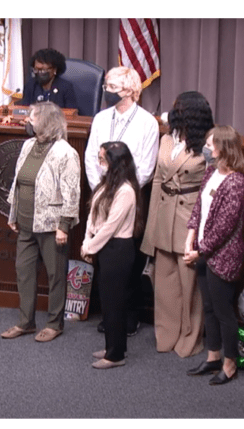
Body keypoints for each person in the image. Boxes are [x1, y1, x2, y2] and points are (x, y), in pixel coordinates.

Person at [84, 66, 159, 337]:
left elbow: (147, 167)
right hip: (102, 195)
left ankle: (130, 315)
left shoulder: (147, 122)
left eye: (111, 87)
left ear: (129, 91)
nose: (105, 91)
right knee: (104, 256)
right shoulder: (101, 118)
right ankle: (110, 315)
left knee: (129, 258)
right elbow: (92, 158)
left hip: (132, 198)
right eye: (105, 85)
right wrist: (102, 189)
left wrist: (121, 191)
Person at [140, 91, 214, 358]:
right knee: (165, 283)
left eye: (178, 109)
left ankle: (190, 340)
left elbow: (212, 188)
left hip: (189, 218)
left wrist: (202, 231)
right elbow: (159, 180)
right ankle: (166, 334)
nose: (173, 114)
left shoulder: (208, 144)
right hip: (163, 215)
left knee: (190, 285)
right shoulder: (167, 139)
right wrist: (151, 227)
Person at [1, 102, 80, 342]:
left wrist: (64, 225)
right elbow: (19, 182)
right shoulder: (27, 145)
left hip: (52, 226)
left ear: (45, 121)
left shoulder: (65, 152)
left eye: (32, 117)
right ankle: (26, 322)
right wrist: (12, 214)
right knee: (23, 272)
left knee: (56, 275)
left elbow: (72, 192)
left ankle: (55, 324)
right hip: (26, 224)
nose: (27, 121)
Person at [184, 126, 244, 384]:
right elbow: (199, 208)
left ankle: (230, 362)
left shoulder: (235, 181)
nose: (206, 148)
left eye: (211, 144)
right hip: (201, 250)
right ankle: (213, 357)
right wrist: (190, 238)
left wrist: (199, 251)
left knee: (223, 312)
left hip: (222, 256)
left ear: (224, 147)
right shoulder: (211, 172)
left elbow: (224, 226)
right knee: (208, 307)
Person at [81, 141, 143, 369]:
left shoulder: (126, 190)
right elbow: (94, 214)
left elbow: (111, 225)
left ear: (115, 163)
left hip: (118, 249)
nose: (99, 164)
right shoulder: (106, 184)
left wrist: (89, 248)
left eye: (102, 160)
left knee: (115, 303)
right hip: (104, 246)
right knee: (107, 301)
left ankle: (116, 355)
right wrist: (87, 239)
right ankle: (112, 347)